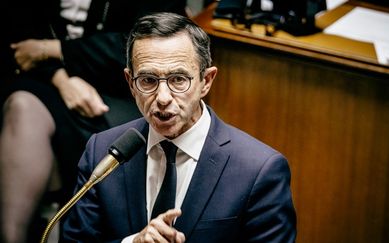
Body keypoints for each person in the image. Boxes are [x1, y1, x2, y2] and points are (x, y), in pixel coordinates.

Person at [61, 12, 297, 243]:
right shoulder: (101, 152)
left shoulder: (259, 170)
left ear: (206, 81)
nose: (163, 97)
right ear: (130, 84)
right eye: (148, 80)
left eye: (178, 79)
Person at [0, 1, 186, 243]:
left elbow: (150, 42)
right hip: (48, 80)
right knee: (22, 107)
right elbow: (21, 44)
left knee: (117, 139)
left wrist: (54, 48)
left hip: (127, 91)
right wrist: (62, 80)